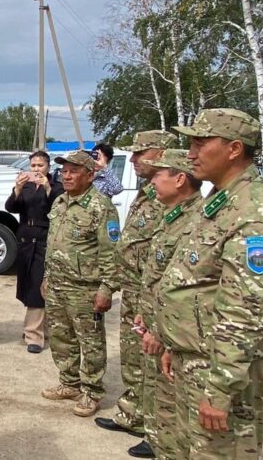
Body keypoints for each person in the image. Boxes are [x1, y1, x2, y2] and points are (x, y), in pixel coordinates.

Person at [157, 109, 263, 459]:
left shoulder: (254, 212)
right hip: (194, 359)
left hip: (221, 372)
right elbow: (196, 284)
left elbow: (246, 310)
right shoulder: (220, 202)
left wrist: (222, 387)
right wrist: (174, 342)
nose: (191, 153)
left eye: (200, 143)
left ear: (234, 149)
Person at [95, 130, 177, 448]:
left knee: (153, 364)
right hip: (133, 292)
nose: (132, 160)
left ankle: (155, 434)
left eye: (139, 154)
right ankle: (133, 414)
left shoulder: (169, 198)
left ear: (159, 153)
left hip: (152, 296)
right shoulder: (147, 193)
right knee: (132, 359)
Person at [131, 149, 202, 459]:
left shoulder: (195, 220)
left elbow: (184, 287)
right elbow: (157, 273)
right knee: (159, 396)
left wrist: (159, 327)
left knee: (174, 406)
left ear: (180, 179)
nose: (153, 182)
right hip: (157, 322)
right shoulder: (172, 215)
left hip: (176, 333)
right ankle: (157, 441)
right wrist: (145, 311)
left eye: (159, 175)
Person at [40, 150, 119, 417]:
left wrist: (107, 289)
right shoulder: (60, 202)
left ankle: (92, 392)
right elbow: (53, 244)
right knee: (62, 339)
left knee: (91, 342)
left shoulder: (101, 206)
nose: (67, 175)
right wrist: (47, 276)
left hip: (85, 289)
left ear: (90, 174)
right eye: (64, 171)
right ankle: (69, 383)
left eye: (74, 171)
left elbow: (111, 251)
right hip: (58, 285)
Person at [5, 151, 64, 353]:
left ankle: (34, 335)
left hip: (44, 237)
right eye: (33, 166)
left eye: (40, 165)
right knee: (27, 283)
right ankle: (41, 329)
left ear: (48, 167)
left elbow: (57, 208)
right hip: (25, 237)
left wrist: (47, 188)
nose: (36, 169)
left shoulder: (57, 186)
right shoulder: (26, 185)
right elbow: (11, 207)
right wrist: (18, 189)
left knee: (39, 286)